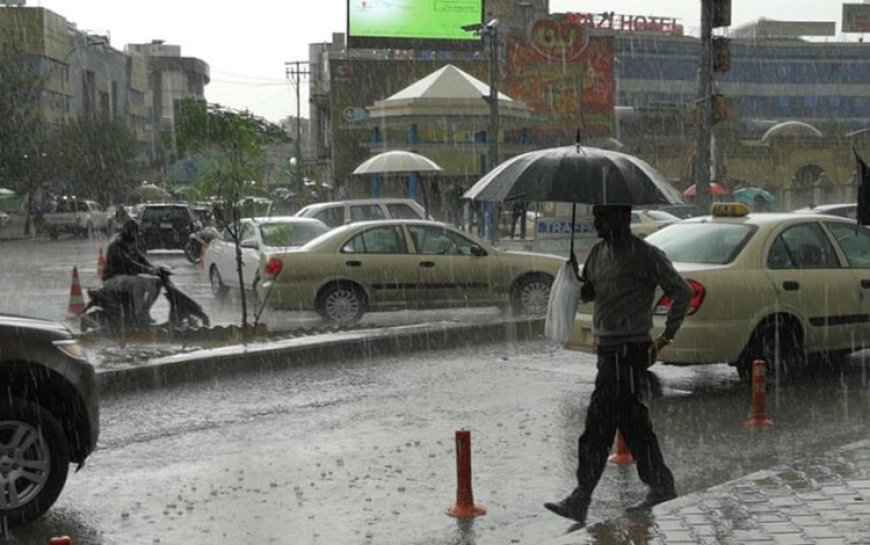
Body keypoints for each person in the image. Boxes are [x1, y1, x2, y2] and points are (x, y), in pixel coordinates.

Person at [544, 204, 693, 527]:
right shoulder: (599, 252)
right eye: (595, 216)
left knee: (598, 424)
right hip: (608, 350)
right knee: (632, 423)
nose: (596, 222)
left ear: (622, 218)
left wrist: (666, 336)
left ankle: (581, 497)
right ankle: (661, 485)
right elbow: (590, 292)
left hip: (629, 351)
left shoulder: (646, 255)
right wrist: (574, 278)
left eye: (602, 217)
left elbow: (682, 291)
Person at [102, 219, 163, 324]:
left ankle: (144, 311)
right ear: (128, 231)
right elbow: (128, 263)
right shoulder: (117, 244)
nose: (136, 235)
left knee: (157, 282)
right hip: (113, 279)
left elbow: (140, 258)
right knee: (138, 283)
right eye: (135, 232)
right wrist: (148, 270)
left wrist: (154, 268)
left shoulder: (130, 242)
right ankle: (139, 316)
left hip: (126, 278)